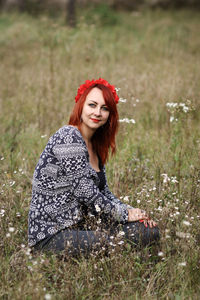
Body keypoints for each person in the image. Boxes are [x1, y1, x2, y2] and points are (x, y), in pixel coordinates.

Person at [28, 78, 159, 256]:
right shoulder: (69, 136)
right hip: (51, 234)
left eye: (104, 108)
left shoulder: (95, 146)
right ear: (81, 106)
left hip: (81, 226)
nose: (97, 112)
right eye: (92, 105)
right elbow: (86, 193)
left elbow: (103, 192)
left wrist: (134, 212)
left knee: (148, 231)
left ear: (109, 115)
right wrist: (125, 215)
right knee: (111, 241)